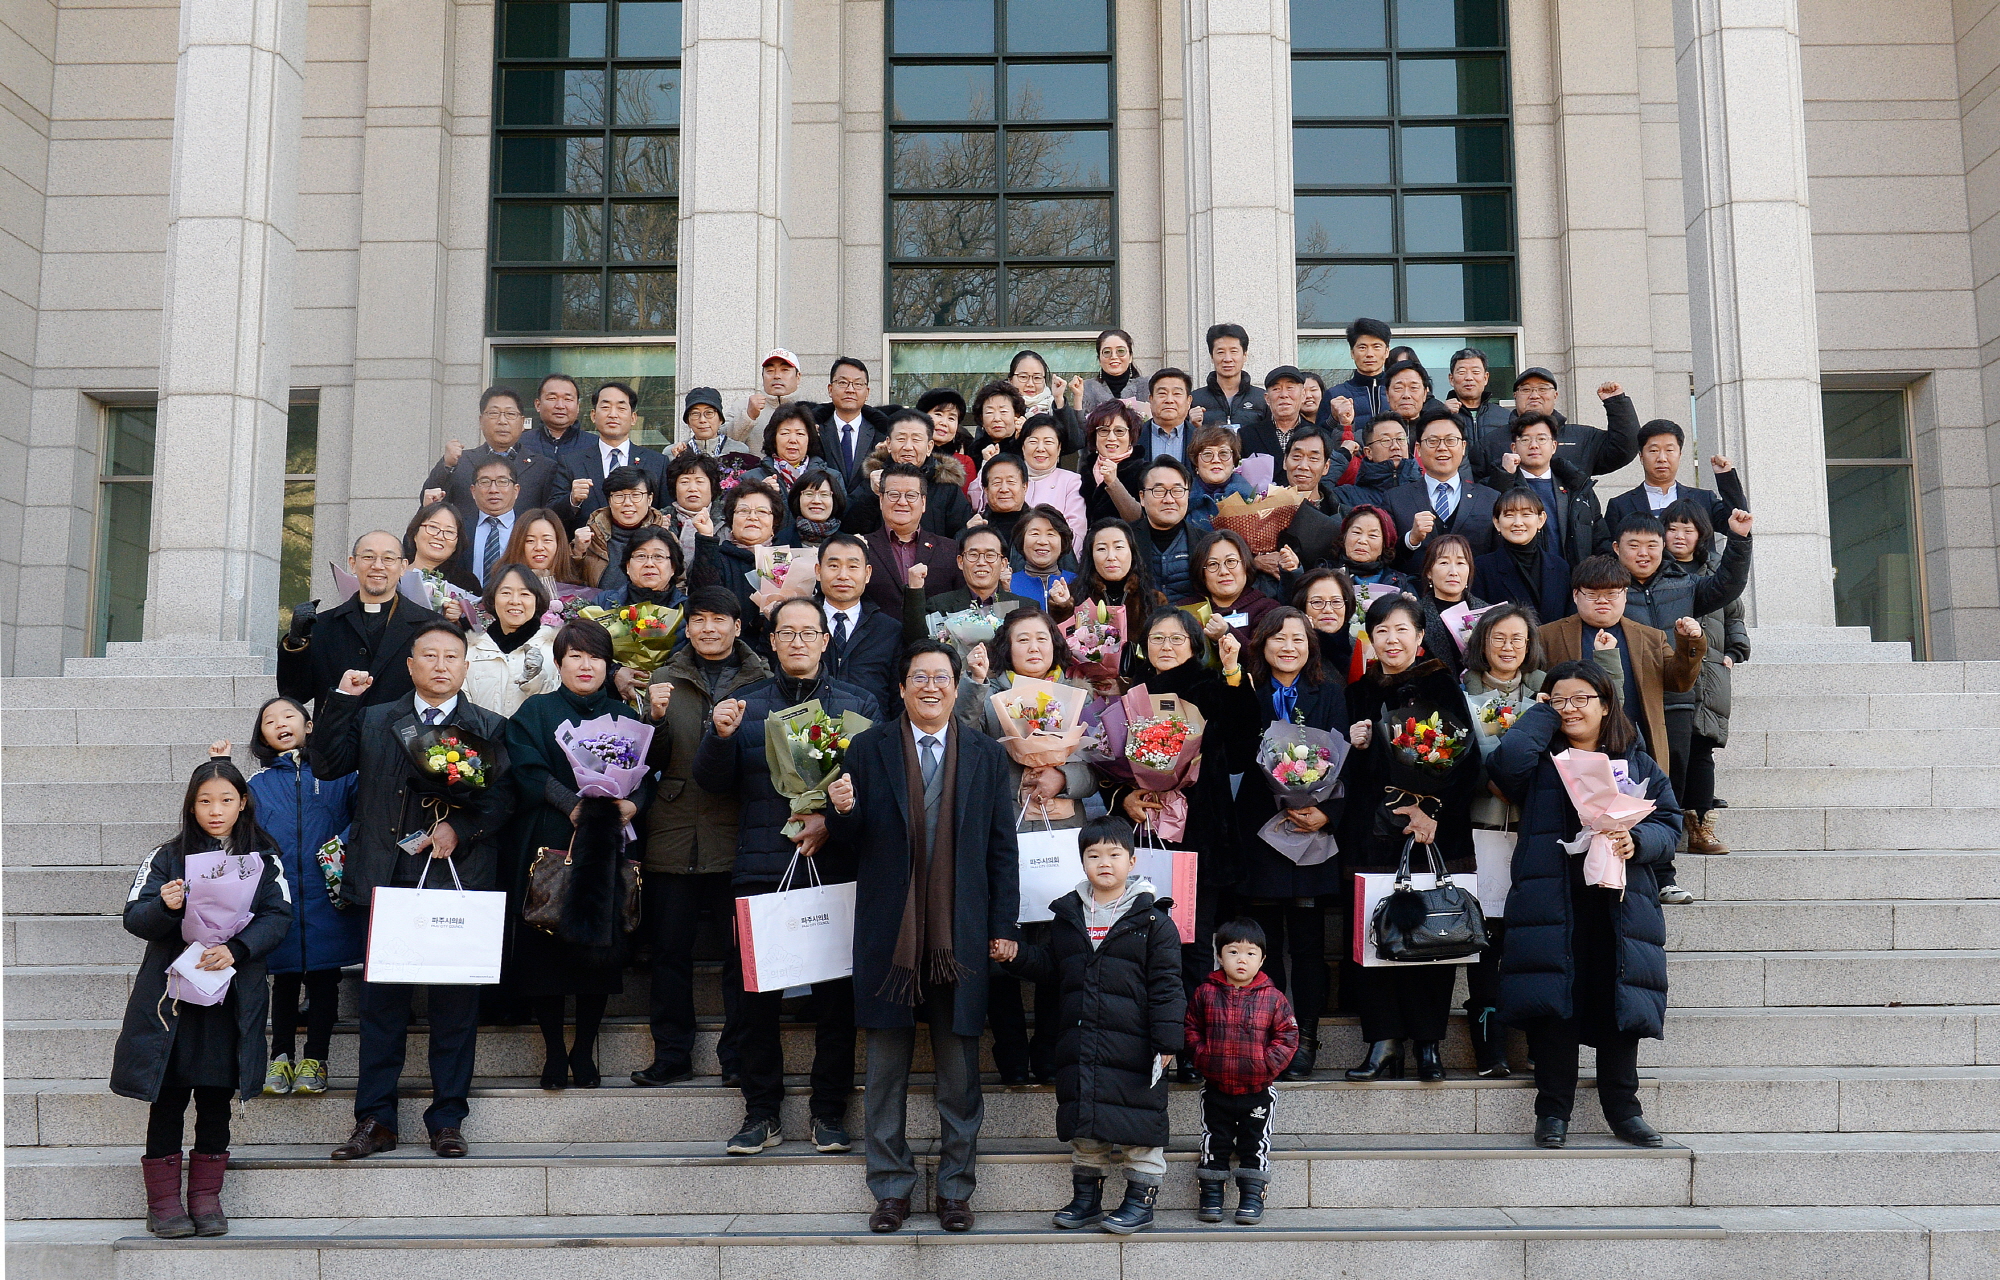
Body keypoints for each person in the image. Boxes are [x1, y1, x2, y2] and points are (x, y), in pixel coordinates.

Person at [826, 641, 1020, 1234]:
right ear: (903, 687)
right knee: (885, 1069)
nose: (931, 686)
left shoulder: (987, 754)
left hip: (960, 935)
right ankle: (890, 1188)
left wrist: (1003, 928)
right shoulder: (868, 748)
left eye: (942, 677)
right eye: (919, 677)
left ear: (958, 687)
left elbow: (1000, 851)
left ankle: (956, 1189)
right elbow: (849, 843)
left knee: (960, 1071)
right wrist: (839, 811)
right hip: (890, 933)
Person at [313, 623, 514, 1162]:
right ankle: (375, 1119)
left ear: (467, 667)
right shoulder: (378, 718)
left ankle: (448, 1118)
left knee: (455, 1008)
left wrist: (460, 829)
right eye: (430, 655)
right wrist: (340, 701)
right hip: (386, 878)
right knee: (382, 1009)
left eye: (452, 656)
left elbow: (503, 803)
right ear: (410, 664)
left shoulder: (488, 726)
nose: (441, 665)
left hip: (457, 881)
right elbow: (327, 764)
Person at [696, 596, 881, 1156]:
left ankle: (828, 1112)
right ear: (770, 641)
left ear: (826, 640)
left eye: (809, 632)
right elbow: (711, 783)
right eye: (787, 633)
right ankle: (761, 1111)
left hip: (833, 869)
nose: (798, 641)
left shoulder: (859, 704)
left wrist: (829, 818)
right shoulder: (744, 705)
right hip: (760, 868)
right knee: (755, 998)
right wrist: (719, 736)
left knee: (834, 997)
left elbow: (873, 789)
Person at [1490, 661, 1680, 1151]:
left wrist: (1637, 840)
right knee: (1558, 1006)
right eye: (1560, 699)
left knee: (1620, 1004)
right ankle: (1553, 1112)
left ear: (1605, 704)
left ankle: (1624, 1110)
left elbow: (1671, 822)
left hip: (1619, 905)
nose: (1571, 708)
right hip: (1553, 900)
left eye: (1581, 699)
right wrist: (1539, 717)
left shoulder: (1635, 762)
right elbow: (1505, 762)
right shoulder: (1540, 759)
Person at [114, 760, 292, 1239]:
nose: (216, 811)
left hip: (229, 997)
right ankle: (165, 1204)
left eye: (226, 801)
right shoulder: (167, 857)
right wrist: (165, 905)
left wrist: (234, 950)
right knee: (168, 1099)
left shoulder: (264, 857)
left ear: (243, 803)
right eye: (205, 801)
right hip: (171, 1001)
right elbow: (134, 918)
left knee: (216, 1098)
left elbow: (279, 916)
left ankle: (206, 1198)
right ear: (191, 806)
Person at [1458, 605, 1621, 1079]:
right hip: (1484, 827)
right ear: (1481, 642)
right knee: (1488, 938)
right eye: (1499, 639)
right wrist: (1485, 776)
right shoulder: (1460, 692)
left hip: (1541, 829)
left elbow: (1603, 720)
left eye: (1519, 639)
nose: (1509, 647)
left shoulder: (1551, 694)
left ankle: (1536, 1042)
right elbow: (1449, 756)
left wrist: (1607, 667)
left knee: (1538, 941)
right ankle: (1489, 1047)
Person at [1003, 815, 1184, 1235]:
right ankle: (1086, 1199)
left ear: (1132, 860)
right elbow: (1052, 967)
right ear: (1081, 861)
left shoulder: (1154, 920)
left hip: (1135, 1043)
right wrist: (1014, 957)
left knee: (1140, 1121)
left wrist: (1168, 1039)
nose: (1105, 862)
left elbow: (1167, 985)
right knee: (1085, 1122)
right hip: (1082, 1040)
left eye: (1114, 854)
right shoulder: (1068, 916)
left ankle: (1140, 1201)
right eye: (1094, 855)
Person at [504, 619, 652, 1091]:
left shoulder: (624, 714)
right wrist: (573, 805)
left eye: (595, 657)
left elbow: (649, 775)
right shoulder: (537, 712)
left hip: (607, 846)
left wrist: (635, 803)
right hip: (551, 841)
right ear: (559, 661)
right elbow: (525, 767)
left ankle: (584, 1049)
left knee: (599, 951)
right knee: (545, 948)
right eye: (575, 656)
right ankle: (553, 1052)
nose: (585, 665)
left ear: (608, 666)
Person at [1339, 595, 1480, 1083]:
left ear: (1420, 638)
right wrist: (1356, 746)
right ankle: (1382, 1041)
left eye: (1402, 630)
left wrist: (1430, 810)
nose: (1391, 640)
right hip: (1372, 834)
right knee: (1374, 931)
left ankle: (1428, 1043)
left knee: (1430, 931)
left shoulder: (1440, 683)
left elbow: (1465, 761)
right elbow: (1354, 773)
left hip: (1431, 834)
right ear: (1370, 638)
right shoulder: (1360, 689)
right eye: (1381, 632)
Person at [632, 587, 770, 1086]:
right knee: (669, 954)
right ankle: (671, 1054)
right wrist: (654, 720)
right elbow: (648, 763)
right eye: (699, 620)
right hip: (673, 832)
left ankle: (738, 1056)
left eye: (720, 619)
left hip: (738, 835)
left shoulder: (764, 683)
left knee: (741, 957)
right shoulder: (662, 679)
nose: (708, 628)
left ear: (739, 626)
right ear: (686, 627)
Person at [956, 607, 1092, 1084]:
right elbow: (962, 741)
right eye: (1022, 640)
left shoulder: (1080, 695)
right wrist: (973, 684)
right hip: (1005, 838)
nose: (1034, 647)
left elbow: (1099, 763)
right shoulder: (991, 696)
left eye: (1042, 638)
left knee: (1061, 945)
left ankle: (1050, 1050)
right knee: (1001, 943)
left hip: (1061, 835)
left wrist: (1063, 776)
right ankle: (1010, 1048)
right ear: (1005, 650)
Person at [1216, 608, 1346, 1079]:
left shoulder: (1328, 690)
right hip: (1260, 829)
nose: (1288, 646)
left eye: (1298, 638)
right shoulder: (1247, 687)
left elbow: (1341, 758)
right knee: (1261, 939)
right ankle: (1263, 1033)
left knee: (1309, 944)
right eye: (1278, 638)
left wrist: (1326, 812)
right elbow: (1233, 746)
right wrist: (1233, 678)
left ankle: (1305, 1037)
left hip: (1311, 830)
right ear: (1262, 644)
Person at [1611, 509, 1752, 897]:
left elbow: (1727, 585)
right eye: (1633, 546)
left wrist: (1739, 541)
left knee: (1667, 787)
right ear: (1616, 548)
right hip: (1623, 703)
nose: (1643, 553)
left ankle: (1663, 877)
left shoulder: (1685, 585)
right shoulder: (1607, 589)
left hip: (1674, 700)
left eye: (1652, 546)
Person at [236, 698, 360, 1100]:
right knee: (285, 978)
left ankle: (316, 1059)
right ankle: (280, 1056)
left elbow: (363, 815)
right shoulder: (254, 785)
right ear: (262, 736)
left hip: (328, 893)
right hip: (282, 895)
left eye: (288, 716)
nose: (280, 723)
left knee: (325, 977)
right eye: (269, 720)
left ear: (309, 726)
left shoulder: (340, 775)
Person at [1540, 556, 1707, 776]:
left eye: (1611, 594)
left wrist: (1689, 643)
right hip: (1570, 750)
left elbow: (1680, 683)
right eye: (1592, 594)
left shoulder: (1650, 638)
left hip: (1638, 749)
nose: (1602, 601)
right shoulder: (1548, 636)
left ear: (1625, 595)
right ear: (1575, 595)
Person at [1185, 917, 1300, 1226]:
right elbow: (1191, 1029)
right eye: (1233, 952)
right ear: (1219, 956)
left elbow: (1288, 1037)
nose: (1241, 959)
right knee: (1214, 1142)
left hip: (1257, 1091)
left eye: (1250, 954)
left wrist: (1266, 1065)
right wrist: (1203, 1057)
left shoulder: (1273, 998)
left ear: (1262, 960)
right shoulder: (1206, 993)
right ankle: (1211, 1196)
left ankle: (1251, 1196)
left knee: (1255, 1144)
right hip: (1216, 1087)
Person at [279, 531, 447, 715]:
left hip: (401, 739)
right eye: (368, 557)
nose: (377, 566)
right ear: (353, 563)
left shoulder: (431, 627)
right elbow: (294, 695)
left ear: (402, 567)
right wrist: (296, 643)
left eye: (388, 558)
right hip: (336, 739)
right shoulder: (323, 625)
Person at [1663, 500, 1749, 859]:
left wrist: (1736, 650)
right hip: (1670, 670)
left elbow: (1734, 616)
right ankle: (1669, 821)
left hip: (1711, 670)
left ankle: (1700, 824)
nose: (1680, 536)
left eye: (1689, 529)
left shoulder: (1717, 571)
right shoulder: (1657, 572)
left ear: (1701, 535)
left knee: (1701, 747)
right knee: (1670, 748)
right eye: (1673, 528)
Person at [1471, 368, 1639, 487]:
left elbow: (1624, 448)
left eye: (1543, 389)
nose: (1534, 395)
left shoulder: (1582, 438)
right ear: (1515, 396)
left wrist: (1617, 403)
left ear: (1555, 395)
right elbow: (1478, 492)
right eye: (1526, 389)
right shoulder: (1490, 443)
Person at [422, 386, 571, 519]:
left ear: (522, 422)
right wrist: (446, 466)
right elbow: (428, 501)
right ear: (481, 421)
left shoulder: (543, 467)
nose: (502, 421)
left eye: (510, 414)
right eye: (494, 413)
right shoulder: (460, 462)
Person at [1600, 420, 1749, 549]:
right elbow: (1610, 552)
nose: (1662, 458)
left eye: (1670, 450)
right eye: (1653, 450)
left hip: (1698, 580)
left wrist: (1726, 477)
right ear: (1641, 456)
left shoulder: (1704, 499)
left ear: (1680, 455)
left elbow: (1738, 521)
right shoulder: (1620, 505)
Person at [1383, 407, 1501, 571]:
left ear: (1463, 447)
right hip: (1415, 592)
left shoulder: (1489, 499)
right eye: (1432, 441)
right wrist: (1411, 539)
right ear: (1418, 448)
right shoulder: (1395, 499)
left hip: (1474, 593)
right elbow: (1385, 559)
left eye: (1450, 440)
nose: (1442, 448)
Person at [549, 380, 670, 530]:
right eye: (605, 407)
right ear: (593, 416)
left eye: (621, 408)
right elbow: (551, 516)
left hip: (640, 550)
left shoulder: (657, 462)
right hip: (588, 549)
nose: (613, 414)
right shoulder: (571, 463)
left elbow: (665, 512)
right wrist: (572, 500)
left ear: (633, 418)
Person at [1494, 413, 1602, 568]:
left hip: (1573, 580)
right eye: (1525, 439)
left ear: (1554, 446)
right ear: (1514, 447)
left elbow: (1599, 538)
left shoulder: (1577, 487)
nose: (1534, 445)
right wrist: (1504, 478)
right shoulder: (1501, 484)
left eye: (1542, 439)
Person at [818, 532, 905, 714]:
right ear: (818, 571)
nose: (843, 575)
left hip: (871, 734)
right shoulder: (800, 624)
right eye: (833, 566)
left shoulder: (889, 630)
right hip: (806, 735)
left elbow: (898, 697)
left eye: (852, 567)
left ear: (867, 573)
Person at [850, 408, 975, 535]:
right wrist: (872, 494)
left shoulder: (946, 486)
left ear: (929, 447)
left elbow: (958, 536)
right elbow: (851, 529)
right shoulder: (873, 479)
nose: (908, 447)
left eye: (916, 440)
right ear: (888, 444)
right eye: (901, 439)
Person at [859, 462, 964, 614]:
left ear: (923, 503)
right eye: (893, 494)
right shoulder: (861, 547)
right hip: (877, 636)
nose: (902, 502)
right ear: (881, 500)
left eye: (911, 495)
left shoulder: (950, 550)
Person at [905, 526, 1029, 647]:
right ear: (960, 562)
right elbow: (917, 645)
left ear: (1003, 564)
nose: (981, 562)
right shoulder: (939, 605)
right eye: (973, 555)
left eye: (990, 555)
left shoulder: (1024, 608)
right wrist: (915, 590)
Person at [461, 564, 559, 717]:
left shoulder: (556, 650)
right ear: (493, 599)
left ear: (537, 600)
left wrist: (536, 679)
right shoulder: (471, 652)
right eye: (506, 593)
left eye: (524, 594)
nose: (514, 601)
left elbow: (558, 709)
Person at [971, 414, 1083, 546]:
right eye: (1033, 441)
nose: (1040, 448)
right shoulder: (1007, 477)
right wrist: (988, 465)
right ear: (1023, 446)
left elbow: (1076, 531)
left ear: (1059, 448)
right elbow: (977, 503)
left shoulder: (1071, 481)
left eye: (1048, 442)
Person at [1473, 487, 1573, 623]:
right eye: (1509, 515)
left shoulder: (1560, 567)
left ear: (1541, 519)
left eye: (1526, 514)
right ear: (1497, 522)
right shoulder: (1482, 568)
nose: (1518, 523)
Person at [709, 479, 785, 656]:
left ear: (774, 523)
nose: (753, 517)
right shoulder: (717, 558)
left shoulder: (782, 560)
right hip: (729, 657)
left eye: (762, 512)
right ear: (731, 520)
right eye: (744, 511)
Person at [572, 464, 671, 590]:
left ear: (649, 499)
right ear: (609, 500)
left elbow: (679, 583)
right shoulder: (590, 538)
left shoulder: (665, 537)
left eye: (636, 495)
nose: (628, 503)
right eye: (619, 496)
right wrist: (578, 553)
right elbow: (568, 585)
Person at [1189, 528, 1279, 649]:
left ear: (1245, 565)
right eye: (1212, 564)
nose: (1223, 572)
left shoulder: (1268, 609)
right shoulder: (1186, 610)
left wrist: (1226, 633)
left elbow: (1264, 661)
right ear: (1201, 572)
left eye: (1231, 561)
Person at [1413, 534, 1486, 678]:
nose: (1453, 572)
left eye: (1460, 563)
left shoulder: (1487, 613)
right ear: (1429, 572)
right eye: (1444, 563)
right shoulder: (1414, 615)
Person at [747, 402, 847, 507]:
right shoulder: (751, 479)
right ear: (773, 439)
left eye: (800, 434)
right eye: (785, 433)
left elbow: (841, 517)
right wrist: (760, 494)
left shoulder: (832, 478)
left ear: (810, 439)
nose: (793, 440)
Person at [817, 356, 890, 493]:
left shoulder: (881, 435)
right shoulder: (816, 432)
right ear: (830, 389)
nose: (850, 390)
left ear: (867, 392)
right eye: (843, 383)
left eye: (858, 384)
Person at [500, 506, 594, 610]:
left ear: (559, 543)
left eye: (547, 540)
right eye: (530, 541)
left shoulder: (578, 592)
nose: (539, 547)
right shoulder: (501, 586)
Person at [460, 457, 533, 592]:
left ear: (516, 490)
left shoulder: (530, 528)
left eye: (502, 481)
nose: (493, 489)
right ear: (473, 491)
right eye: (485, 482)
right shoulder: (459, 528)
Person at [402, 500, 481, 622]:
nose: (439, 536)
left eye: (449, 532)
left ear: (456, 543)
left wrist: (461, 619)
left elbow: (480, 628)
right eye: (433, 527)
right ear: (415, 533)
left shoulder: (467, 582)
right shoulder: (394, 574)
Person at [1133, 457, 1197, 601]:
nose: (1169, 499)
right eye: (1159, 490)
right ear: (1142, 497)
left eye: (1177, 490)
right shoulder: (1125, 539)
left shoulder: (1205, 542)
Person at [1081, 400, 1149, 525]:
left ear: (1131, 436)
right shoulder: (1085, 471)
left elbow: (1139, 520)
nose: (1111, 438)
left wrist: (1113, 483)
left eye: (1119, 431)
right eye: (1104, 430)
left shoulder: (1144, 472)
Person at [1191, 323, 1268, 431]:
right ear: (1212, 357)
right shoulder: (1194, 400)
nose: (1227, 359)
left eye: (1233, 351)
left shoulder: (1262, 399)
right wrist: (1193, 426)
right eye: (1221, 352)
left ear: (1244, 355)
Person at [1322, 317, 1394, 431]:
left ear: (1386, 351)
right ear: (1352, 353)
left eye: (1376, 347)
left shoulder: (1399, 392)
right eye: (1362, 347)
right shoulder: (1335, 395)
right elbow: (1321, 438)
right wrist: (1334, 419)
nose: (1369, 354)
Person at [1008, 348, 1086, 452]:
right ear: (1010, 379)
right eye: (1023, 377)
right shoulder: (1001, 407)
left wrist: (1059, 399)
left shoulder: (1052, 407)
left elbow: (1075, 443)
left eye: (1037, 378)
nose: (1030, 384)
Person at [725, 348, 806, 447]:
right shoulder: (741, 407)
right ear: (762, 377)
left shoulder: (811, 410)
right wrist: (748, 416)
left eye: (785, 370)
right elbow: (722, 444)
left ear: (798, 377)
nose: (777, 376)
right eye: (770, 371)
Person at [1185, 425, 1256, 534]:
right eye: (1208, 454)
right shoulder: (1183, 500)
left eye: (1223, 453)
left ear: (1234, 461)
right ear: (1196, 463)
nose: (1216, 460)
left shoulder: (1251, 499)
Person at [675, 386, 760, 474]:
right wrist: (679, 461)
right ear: (688, 421)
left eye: (709, 413)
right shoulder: (674, 453)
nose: (702, 420)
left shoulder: (739, 450)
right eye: (695, 414)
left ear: (720, 419)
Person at [1327, 505, 1411, 592]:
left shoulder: (1399, 584)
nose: (1362, 541)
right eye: (1356, 532)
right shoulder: (1325, 575)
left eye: (1372, 535)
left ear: (1384, 545)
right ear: (1344, 537)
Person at [1009, 505, 1076, 609]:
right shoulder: (1007, 584)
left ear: (1063, 542)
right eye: (1035, 533)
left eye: (1050, 534)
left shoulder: (1078, 583)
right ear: (1021, 540)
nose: (1042, 541)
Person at [1294, 566, 1357, 676]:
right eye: (1317, 602)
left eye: (1336, 602)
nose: (1328, 610)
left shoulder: (1360, 648)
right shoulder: (1293, 650)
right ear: (1302, 606)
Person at [1249, 364, 1310, 461]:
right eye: (1276, 389)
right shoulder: (1248, 435)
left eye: (1290, 388)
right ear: (1267, 398)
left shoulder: (1317, 435)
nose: (1284, 395)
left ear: (1303, 395)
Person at [920, 388, 978, 489]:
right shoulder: (910, 454)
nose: (944, 423)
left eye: (951, 418)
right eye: (938, 414)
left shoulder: (965, 463)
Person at [970, 452, 1031, 547]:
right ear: (986, 489)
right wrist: (968, 535)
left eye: (1011, 482)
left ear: (1025, 486)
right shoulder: (975, 526)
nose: (1004, 489)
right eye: (996, 482)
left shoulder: (1039, 525)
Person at [1444, 347, 1511, 434]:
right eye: (1462, 372)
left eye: (1475, 372)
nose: (1469, 378)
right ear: (1451, 379)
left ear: (1485, 378)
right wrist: (1442, 414)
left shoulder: (1505, 417)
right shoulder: (1439, 414)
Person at [526, 373, 591, 462]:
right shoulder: (521, 444)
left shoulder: (595, 445)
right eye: (552, 398)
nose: (560, 406)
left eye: (567, 399)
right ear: (538, 405)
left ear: (578, 407)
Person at [1080, 327, 1143, 415]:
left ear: (1130, 357)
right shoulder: (1086, 388)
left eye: (1120, 351)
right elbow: (1079, 425)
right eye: (1107, 352)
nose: (1114, 356)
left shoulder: (1146, 386)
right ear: (1099, 359)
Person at [1142, 368, 1196, 464]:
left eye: (1177, 393)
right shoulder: (1133, 437)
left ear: (1189, 401)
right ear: (1151, 399)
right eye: (1162, 393)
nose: (1169, 400)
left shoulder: (1200, 439)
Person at [787, 468, 847, 548]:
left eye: (824, 494)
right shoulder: (780, 540)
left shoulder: (847, 544)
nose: (817, 501)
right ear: (797, 499)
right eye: (809, 494)